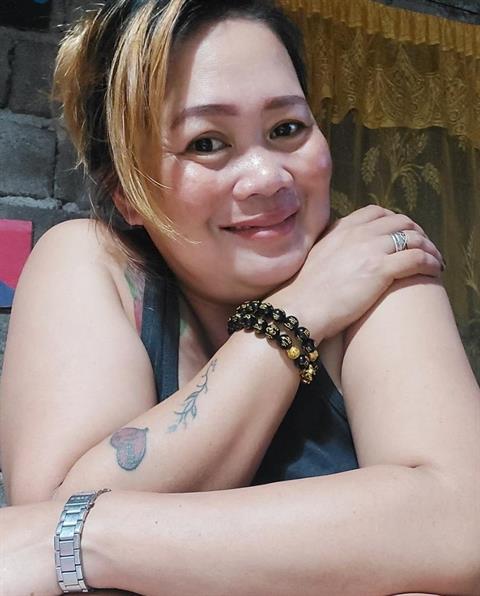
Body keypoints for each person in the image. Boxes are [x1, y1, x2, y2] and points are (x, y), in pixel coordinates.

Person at [0, 0, 479, 594]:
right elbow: (44, 523)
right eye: (206, 143)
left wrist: (94, 539)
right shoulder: (95, 263)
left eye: (287, 129)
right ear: (126, 192)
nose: (269, 178)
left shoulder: (375, 262)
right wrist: (294, 315)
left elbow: (459, 523)